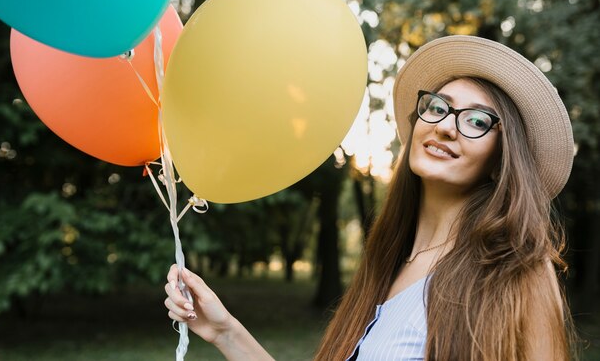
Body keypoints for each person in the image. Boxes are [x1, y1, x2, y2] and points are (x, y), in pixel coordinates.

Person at [164, 35, 576, 360]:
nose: (447, 127)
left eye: (476, 121)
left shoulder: (516, 268)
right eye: (438, 107)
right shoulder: (389, 264)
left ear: (499, 158)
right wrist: (225, 331)